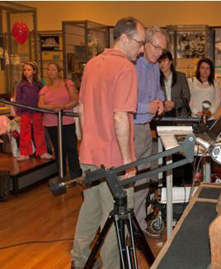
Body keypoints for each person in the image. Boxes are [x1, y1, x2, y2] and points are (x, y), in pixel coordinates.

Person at [70, 17, 145, 269]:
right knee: (116, 220)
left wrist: (87, 141)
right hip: (113, 161)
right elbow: (120, 116)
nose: (141, 49)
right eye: (139, 42)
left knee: (89, 211)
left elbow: (80, 109)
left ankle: (78, 261)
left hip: (89, 155)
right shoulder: (125, 69)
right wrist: (127, 162)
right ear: (124, 38)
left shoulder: (91, 64)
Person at [134, 26, 168, 237]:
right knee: (132, 179)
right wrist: (148, 107)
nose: (158, 53)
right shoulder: (132, 65)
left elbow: (157, 91)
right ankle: (128, 227)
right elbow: (123, 103)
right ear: (145, 43)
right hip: (131, 127)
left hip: (146, 127)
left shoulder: (154, 67)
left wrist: (161, 101)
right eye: (156, 47)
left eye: (162, 50)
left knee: (144, 179)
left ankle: (137, 224)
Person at [38, 62, 81, 179]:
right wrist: (52, 107)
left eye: (53, 69)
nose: (50, 72)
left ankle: (75, 175)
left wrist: (63, 106)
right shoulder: (44, 89)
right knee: (58, 149)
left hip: (66, 122)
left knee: (71, 148)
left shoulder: (67, 84)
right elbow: (40, 105)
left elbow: (75, 100)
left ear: (59, 71)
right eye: (48, 69)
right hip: (51, 123)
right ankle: (61, 174)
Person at [15, 61, 52, 161]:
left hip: (37, 111)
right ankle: (25, 153)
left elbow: (43, 97)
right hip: (25, 112)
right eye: (24, 70)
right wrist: (18, 112)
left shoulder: (39, 84)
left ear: (34, 71)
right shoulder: (20, 84)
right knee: (24, 132)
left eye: (29, 70)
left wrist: (43, 109)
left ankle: (42, 152)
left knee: (39, 131)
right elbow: (17, 99)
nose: (26, 72)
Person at [158, 51, 191, 117]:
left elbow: (187, 97)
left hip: (179, 114)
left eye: (164, 61)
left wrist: (174, 103)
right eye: (160, 62)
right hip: (162, 114)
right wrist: (164, 103)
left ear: (170, 62)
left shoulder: (181, 76)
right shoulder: (156, 78)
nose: (162, 64)